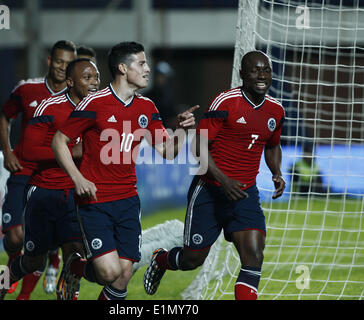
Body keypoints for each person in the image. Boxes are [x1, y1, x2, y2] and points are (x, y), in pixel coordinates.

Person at [51, 41, 198, 300]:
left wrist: (182, 130)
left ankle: (78, 268)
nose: (147, 69)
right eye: (141, 63)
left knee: (124, 274)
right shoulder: (95, 103)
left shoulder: (147, 108)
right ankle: (74, 266)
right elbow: (59, 141)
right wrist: (78, 178)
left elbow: (168, 151)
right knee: (109, 272)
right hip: (95, 202)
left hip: (128, 201)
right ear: (122, 67)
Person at [143, 50, 286, 300]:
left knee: (254, 255)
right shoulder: (226, 102)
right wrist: (223, 180)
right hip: (208, 190)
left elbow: (273, 145)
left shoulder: (275, 110)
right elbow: (197, 145)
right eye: (255, 70)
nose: (262, 75)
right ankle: (163, 259)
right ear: (242, 74)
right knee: (192, 259)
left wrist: (277, 172)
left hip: (244, 194)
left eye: (266, 70)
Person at [0, 58, 100, 300]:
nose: (94, 83)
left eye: (97, 77)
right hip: (45, 193)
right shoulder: (49, 107)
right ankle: (2, 282)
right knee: (31, 261)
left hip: (76, 196)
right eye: (87, 78)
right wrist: (73, 152)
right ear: (70, 81)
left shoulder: (101, 109)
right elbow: (29, 151)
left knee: (76, 254)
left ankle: (66, 292)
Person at [0, 40, 77, 299]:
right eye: (60, 62)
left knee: (44, 245)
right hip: (23, 170)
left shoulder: (79, 99)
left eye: (68, 64)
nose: (63, 68)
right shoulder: (27, 90)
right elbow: (4, 116)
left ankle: (24, 293)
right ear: (49, 61)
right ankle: (13, 266)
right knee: (15, 238)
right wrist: (7, 151)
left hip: (56, 178)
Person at [144, 61, 180, 129]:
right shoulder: (148, 96)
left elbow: (172, 117)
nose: (161, 79)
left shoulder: (169, 96)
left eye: (164, 76)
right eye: (159, 76)